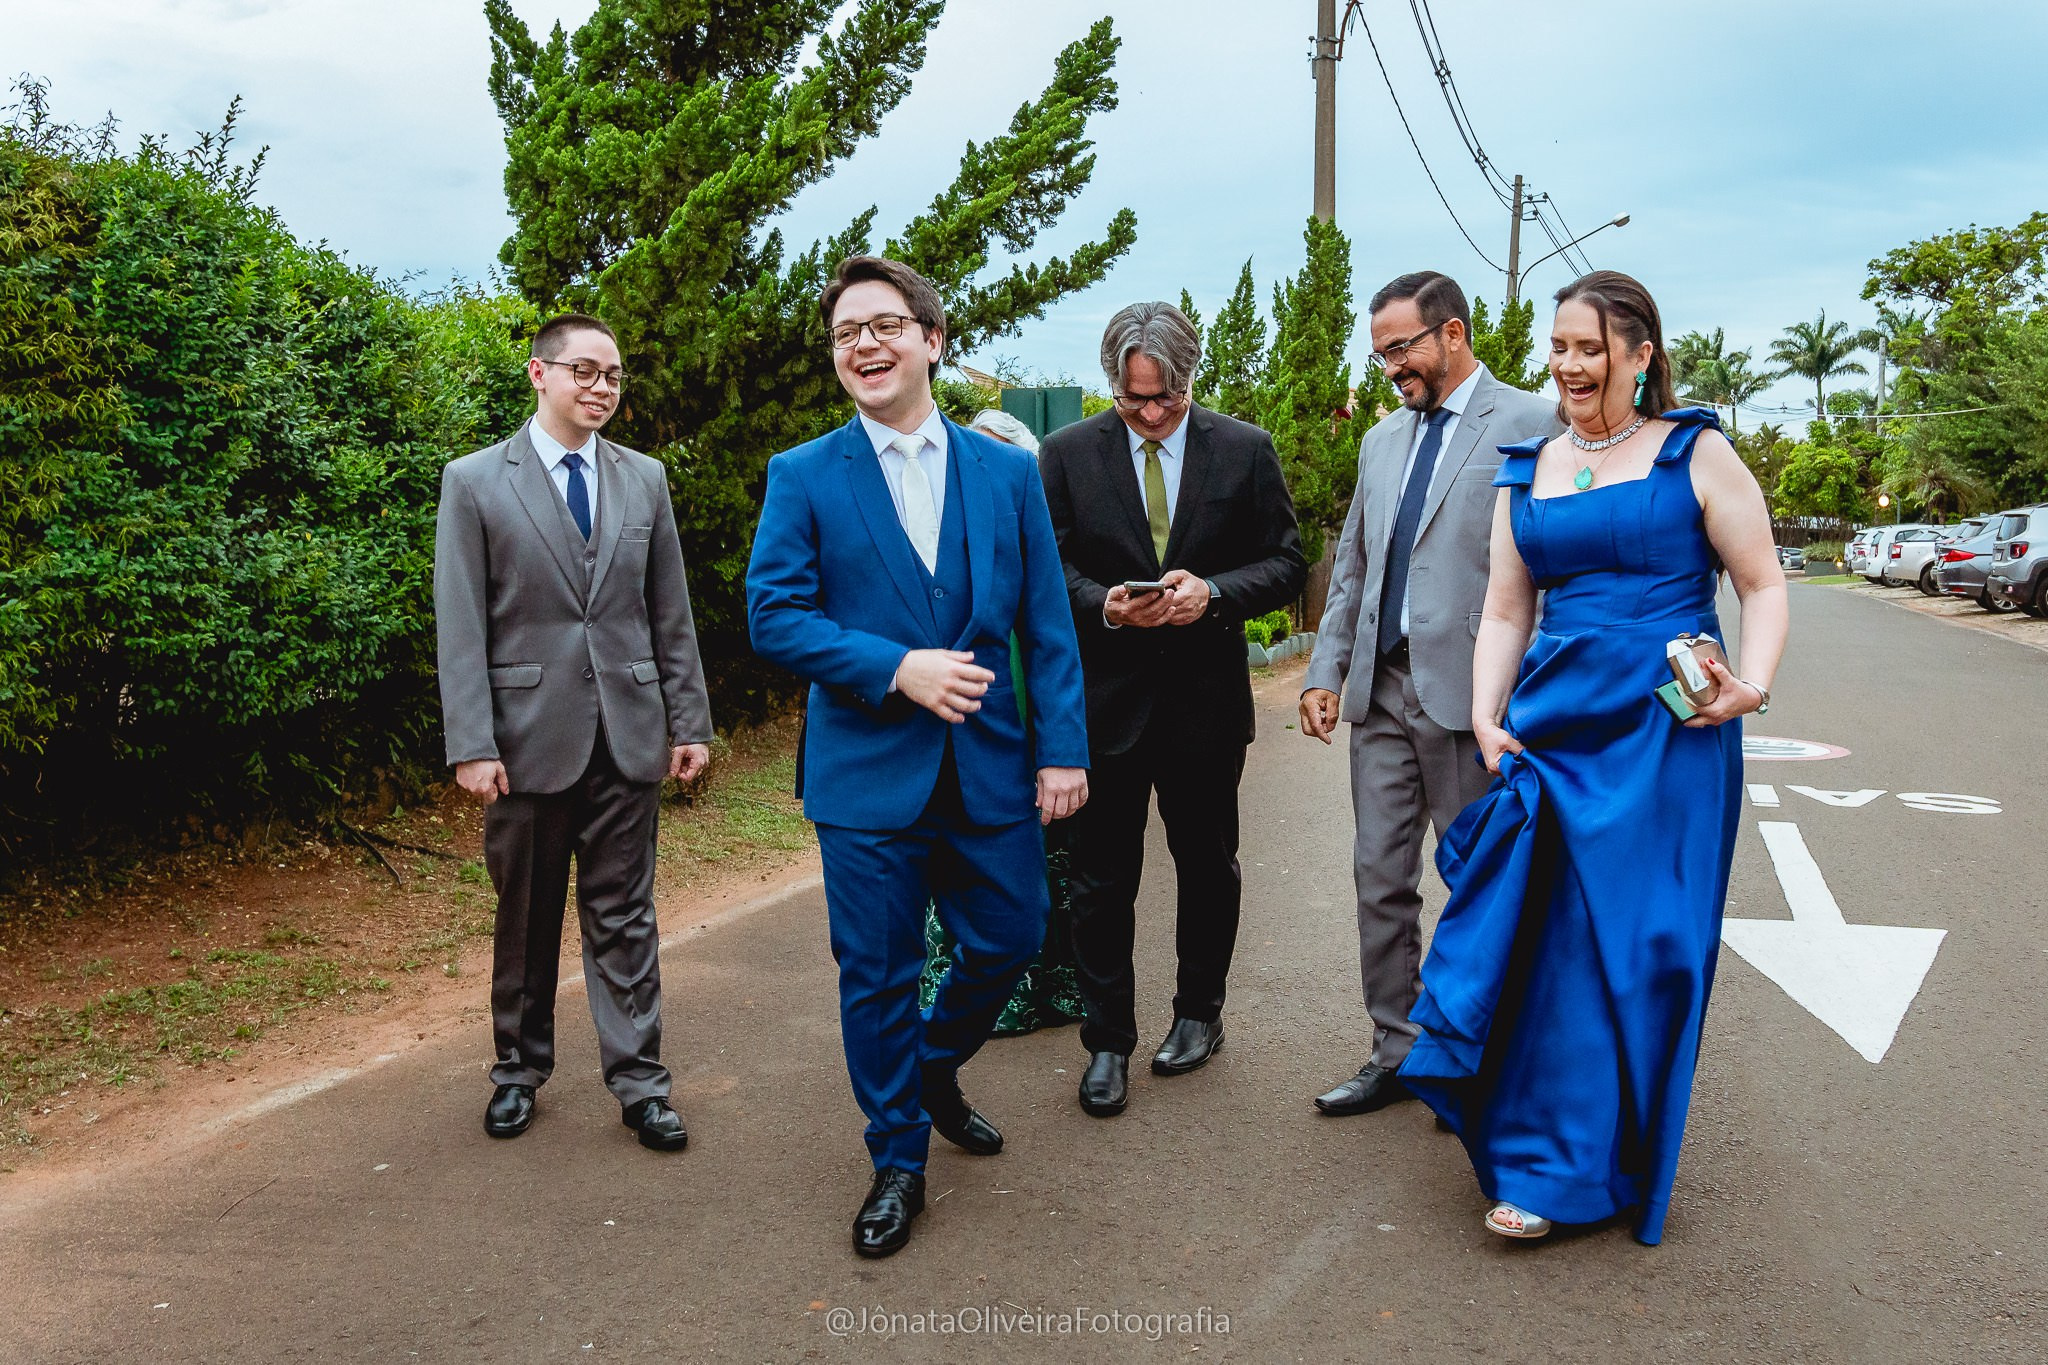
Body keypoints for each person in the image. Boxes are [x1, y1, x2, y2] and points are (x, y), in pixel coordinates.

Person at [1399, 270, 1788, 1244]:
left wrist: (1752, 681)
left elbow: (1761, 581)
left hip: (1669, 738)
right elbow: (1502, 606)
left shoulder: (1694, 454)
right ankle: (1548, 1166)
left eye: (1590, 348)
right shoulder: (1523, 466)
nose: (1569, 366)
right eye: (1559, 347)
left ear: (1640, 354)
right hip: (1554, 732)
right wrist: (1485, 714)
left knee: (1648, 948)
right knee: (1550, 946)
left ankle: (1613, 1148)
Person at [745, 257, 1089, 1258]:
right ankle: (897, 1158)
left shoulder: (1007, 474)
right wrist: (894, 667)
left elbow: (1045, 625)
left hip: (988, 767)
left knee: (1012, 937)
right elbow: (773, 616)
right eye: (846, 331)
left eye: (885, 325)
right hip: (864, 777)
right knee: (877, 975)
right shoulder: (803, 474)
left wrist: (1060, 749)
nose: (864, 344)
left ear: (932, 341)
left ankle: (932, 1064)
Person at [434, 312, 713, 1152]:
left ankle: (641, 1084)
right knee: (524, 914)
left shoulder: (646, 480)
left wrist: (688, 718)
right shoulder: (476, 481)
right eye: (584, 372)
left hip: (629, 734)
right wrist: (472, 743)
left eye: (614, 375)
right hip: (522, 742)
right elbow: (460, 623)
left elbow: (670, 610)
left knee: (625, 913)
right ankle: (517, 1073)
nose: (601, 388)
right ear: (538, 374)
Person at [1299, 272, 1559, 1117]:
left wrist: (1535, 691)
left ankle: (1487, 1050)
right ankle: (1396, 1049)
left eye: (1401, 347)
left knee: (1483, 879)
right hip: (1381, 693)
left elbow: (1551, 566)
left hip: (1475, 699)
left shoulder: (1528, 421)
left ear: (1452, 334)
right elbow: (1354, 570)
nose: (1390, 367)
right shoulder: (1380, 441)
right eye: (1379, 353)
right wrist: (1324, 671)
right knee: (1380, 876)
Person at [1038, 302, 1306, 1118]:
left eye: (1168, 397)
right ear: (1110, 385)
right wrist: (1109, 606)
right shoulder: (1064, 453)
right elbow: (1046, 564)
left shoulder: (1247, 449)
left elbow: (1289, 561)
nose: (1151, 414)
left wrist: (1215, 593)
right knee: (1100, 879)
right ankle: (1107, 1040)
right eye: (1133, 400)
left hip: (1204, 703)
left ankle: (1199, 1014)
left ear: (1192, 377)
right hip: (1105, 704)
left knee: (1206, 865)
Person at [916, 408, 1086, 1038]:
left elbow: (1050, 635)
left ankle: (1049, 989)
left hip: (1022, 724)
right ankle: (960, 1008)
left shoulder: (1030, 520)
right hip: (946, 727)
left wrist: (1060, 746)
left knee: (1040, 879)